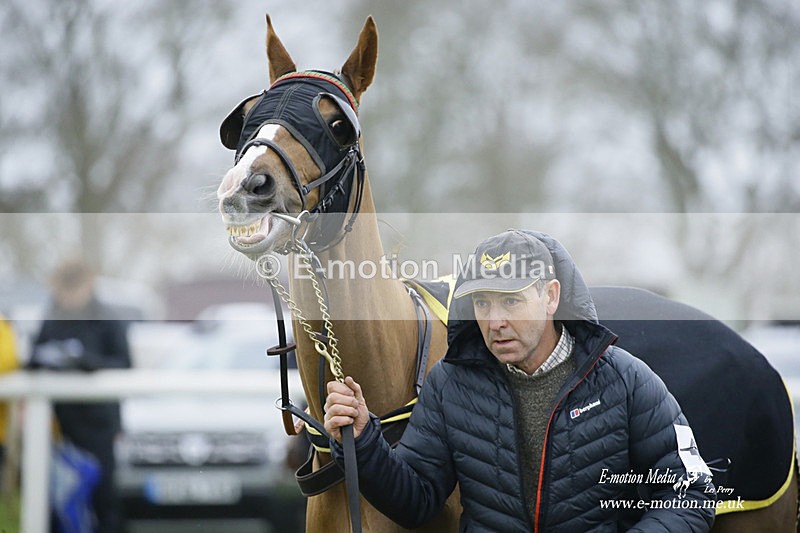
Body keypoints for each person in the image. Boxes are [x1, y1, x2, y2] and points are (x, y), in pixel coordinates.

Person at [324, 229, 716, 532]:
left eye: (511, 300)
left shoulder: (624, 379)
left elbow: (692, 491)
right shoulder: (449, 383)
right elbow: (417, 500)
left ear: (550, 296)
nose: (495, 322)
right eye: (482, 303)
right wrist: (363, 443)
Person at [29, 258, 131, 533]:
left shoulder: (107, 318)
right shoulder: (52, 317)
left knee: (103, 503)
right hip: (60, 430)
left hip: (99, 428)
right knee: (57, 507)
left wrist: (88, 362)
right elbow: (35, 357)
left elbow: (125, 365)